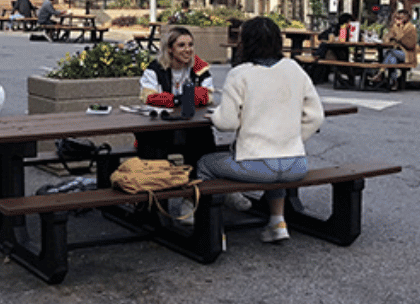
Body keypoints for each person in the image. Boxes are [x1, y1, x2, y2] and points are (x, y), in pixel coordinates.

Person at [195, 16, 324, 242]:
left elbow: (227, 123)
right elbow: (316, 117)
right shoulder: (294, 69)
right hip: (296, 164)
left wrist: (214, 116)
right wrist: (292, 139)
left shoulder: (240, 73)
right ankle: (277, 223)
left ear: (245, 42)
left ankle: (214, 230)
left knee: (205, 164)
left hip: (255, 167)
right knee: (276, 169)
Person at [135, 28, 220, 201]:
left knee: (203, 140)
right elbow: (149, 97)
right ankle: (157, 203)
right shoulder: (155, 68)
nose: (188, 49)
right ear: (170, 49)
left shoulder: (198, 65)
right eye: (181, 45)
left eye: (190, 45)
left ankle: (201, 196)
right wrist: (184, 98)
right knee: (152, 146)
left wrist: (172, 99)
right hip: (162, 130)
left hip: (190, 129)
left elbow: (207, 95)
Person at [371, 9, 418, 88]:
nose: (397, 20)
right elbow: (387, 38)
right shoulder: (395, 27)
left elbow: (410, 45)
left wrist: (396, 38)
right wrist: (388, 37)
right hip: (396, 53)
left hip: (407, 54)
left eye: (399, 18)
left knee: (391, 52)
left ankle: (381, 73)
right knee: (392, 59)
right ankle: (394, 81)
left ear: (406, 18)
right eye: (396, 18)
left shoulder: (411, 28)